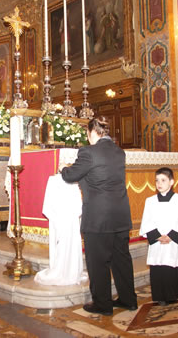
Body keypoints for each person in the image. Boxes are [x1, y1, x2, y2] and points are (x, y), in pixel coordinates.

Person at [60, 116, 137, 316]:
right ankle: (129, 300)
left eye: (87, 134)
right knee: (121, 260)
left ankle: (102, 304)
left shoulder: (88, 152)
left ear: (92, 132)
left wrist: (63, 168)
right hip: (120, 214)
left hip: (98, 218)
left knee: (98, 262)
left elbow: (70, 175)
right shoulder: (119, 152)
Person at [139, 167, 178, 306]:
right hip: (158, 241)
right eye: (157, 180)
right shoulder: (150, 201)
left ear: (171, 182)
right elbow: (147, 221)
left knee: (173, 266)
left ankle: (174, 294)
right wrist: (157, 236)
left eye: (163, 180)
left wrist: (170, 237)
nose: (159, 183)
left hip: (174, 241)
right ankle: (160, 295)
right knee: (160, 267)